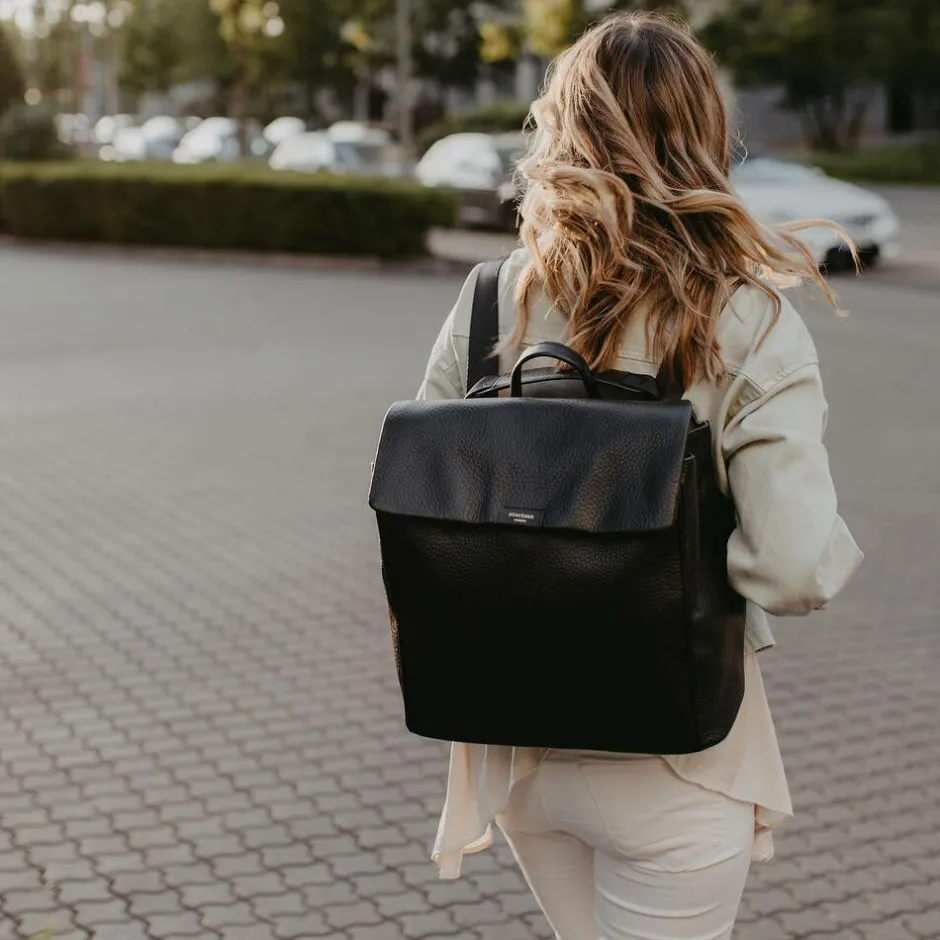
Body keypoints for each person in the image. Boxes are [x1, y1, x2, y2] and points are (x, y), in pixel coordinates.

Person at [414, 12, 863, 940]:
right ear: (703, 134)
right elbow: (792, 567)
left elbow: (425, 494)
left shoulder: (496, 295)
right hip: (676, 757)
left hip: (514, 747)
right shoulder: (745, 317)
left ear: (562, 129)